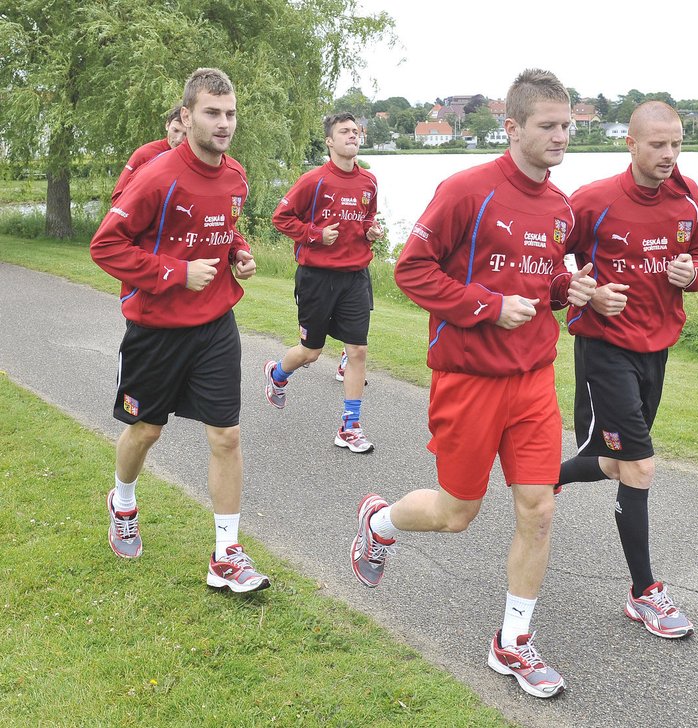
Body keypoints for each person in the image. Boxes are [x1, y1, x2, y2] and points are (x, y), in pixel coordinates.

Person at [351, 69, 595, 699]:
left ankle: (511, 643)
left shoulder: (561, 206)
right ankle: (381, 520)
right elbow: (411, 271)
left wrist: (578, 291)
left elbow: (545, 284)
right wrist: (486, 305)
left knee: (539, 509)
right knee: (458, 512)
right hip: (469, 379)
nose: (560, 137)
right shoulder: (466, 191)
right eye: (548, 126)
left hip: (535, 378)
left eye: (566, 125)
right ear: (511, 128)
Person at [90, 67, 269, 593]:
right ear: (186, 115)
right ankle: (122, 501)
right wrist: (174, 272)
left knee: (227, 434)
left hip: (215, 323)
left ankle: (227, 555)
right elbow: (105, 246)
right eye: (213, 113)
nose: (224, 123)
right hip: (156, 329)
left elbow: (223, 228)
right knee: (147, 429)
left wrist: (237, 252)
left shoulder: (235, 176)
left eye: (230, 113)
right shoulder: (156, 176)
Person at [557, 100, 698, 639]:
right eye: (657, 144)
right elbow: (549, 252)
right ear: (630, 144)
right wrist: (587, 292)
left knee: (613, 463)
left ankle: (542, 477)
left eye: (676, 143)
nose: (669, 154)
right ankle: (645, 593)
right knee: (640, 465)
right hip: (605, 347)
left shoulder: (689, 196)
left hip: (657, 346)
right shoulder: (595, 200)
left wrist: (690, 272)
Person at [264, 112, 383, 452]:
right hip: (317, 277)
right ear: (330, 141)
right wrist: (315, 234)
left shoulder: (369, 182)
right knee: (311, 352)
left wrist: (370, 232)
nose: (352, 136)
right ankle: (277, 375)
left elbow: (366, 220)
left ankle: (350, 427)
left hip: (355, 276)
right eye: (344, 132)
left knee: (357, 350)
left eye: (355, 131)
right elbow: (281, 217)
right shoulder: (314, 180)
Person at [110, 105, 187, 203]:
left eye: (185, 134)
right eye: (175, 130)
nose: (179, 139)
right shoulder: (144, 154)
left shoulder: (194, 158)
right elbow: (118, 195)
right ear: (167, 125)